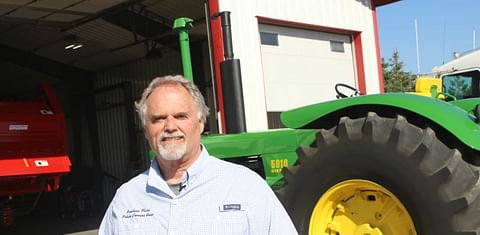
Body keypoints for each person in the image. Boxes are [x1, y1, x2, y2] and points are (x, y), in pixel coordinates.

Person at [99, 75, 298, 235]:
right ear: (146, 130)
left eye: (180, 116)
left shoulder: (247, 188)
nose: (170, 126)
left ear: (201, 123)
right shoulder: (127, 200)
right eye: (158, 119)